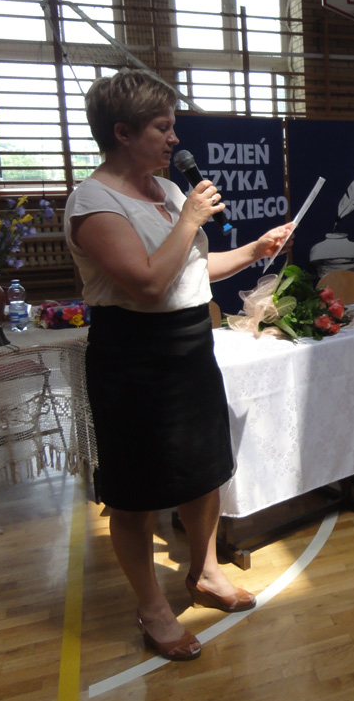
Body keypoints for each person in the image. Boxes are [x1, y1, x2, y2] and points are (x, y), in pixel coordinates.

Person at [64, 70, 295, 661]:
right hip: (133, 356)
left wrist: (254, 250)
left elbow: (189, 269)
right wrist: (190, 218)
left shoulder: (168, 191)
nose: (174, 139)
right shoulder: (94, 202)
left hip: (191, 344)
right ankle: (151, 606)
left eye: (172, 127)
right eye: (162, 128)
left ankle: (205, 572)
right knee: (137, 491)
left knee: (204, 470)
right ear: (122, 132)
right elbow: (146, 283)